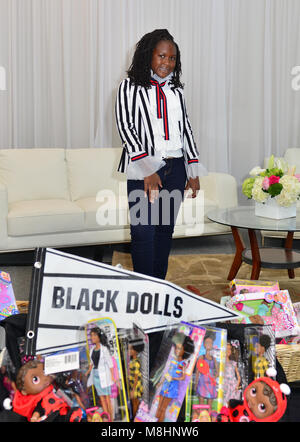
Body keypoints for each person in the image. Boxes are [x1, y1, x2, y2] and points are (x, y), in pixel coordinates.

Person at [115, 28, 205, 281]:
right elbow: (126, 128)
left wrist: (193, 170)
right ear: (148, 56)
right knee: (143, 231)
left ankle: (158, 286)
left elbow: (186, 129)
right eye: (161, 56)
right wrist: (148, 170)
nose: (166, 63)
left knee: (164, 230)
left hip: (176, 168)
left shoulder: (176, 90)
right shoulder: (128, 87)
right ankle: (144, 290)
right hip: (144, 172)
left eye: (172, 58)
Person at [85, 327, 116, 421]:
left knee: (107, 398)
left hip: (104, 376)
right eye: (91, 335)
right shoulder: (92, 350)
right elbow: (91, 364)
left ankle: (111, 417)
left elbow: (110, 364)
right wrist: (87, 372)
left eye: (94, 335)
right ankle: (106, 418)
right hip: (95, 376)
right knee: (102, 399)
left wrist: (112, 375)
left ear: (99, 336)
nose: (92, 337)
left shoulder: (104, 349)